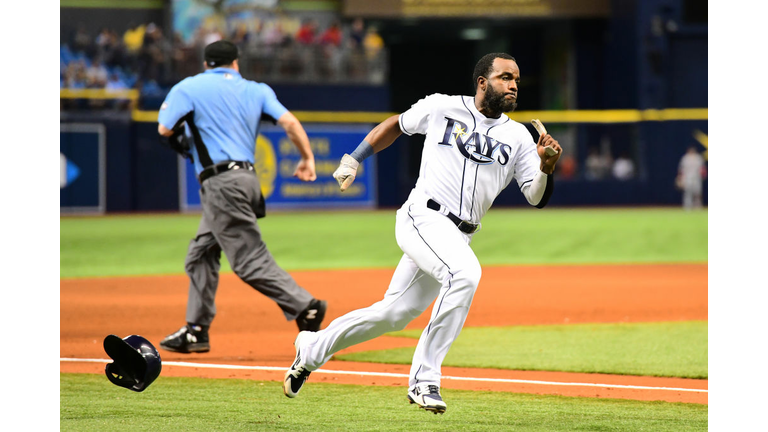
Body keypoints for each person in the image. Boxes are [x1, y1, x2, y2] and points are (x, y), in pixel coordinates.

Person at [282, 53, 562, 413]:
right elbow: (396, 125)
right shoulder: (442, 107)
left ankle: (312, 348)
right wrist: (354, 159)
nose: (512, 85)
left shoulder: (519, 137)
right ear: (482, 82)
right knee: (465, 274)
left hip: (459, 236)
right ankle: (424, 379)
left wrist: (546, 166)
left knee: (393, 313)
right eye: (505, 77)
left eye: (517, 80)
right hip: (423, 217)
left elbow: (536, 197)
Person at [156, 40, 328, 354]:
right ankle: (196, 330)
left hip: (222, 184)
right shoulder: (257, 89)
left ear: (206, 63)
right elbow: (289, 122)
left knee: (248, 260)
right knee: (200, 254)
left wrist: (187, 138)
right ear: (236, 62)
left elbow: (165, 129)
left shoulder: (188, 87)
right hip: (247, 178)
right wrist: (307, 158)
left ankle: (306, 306)